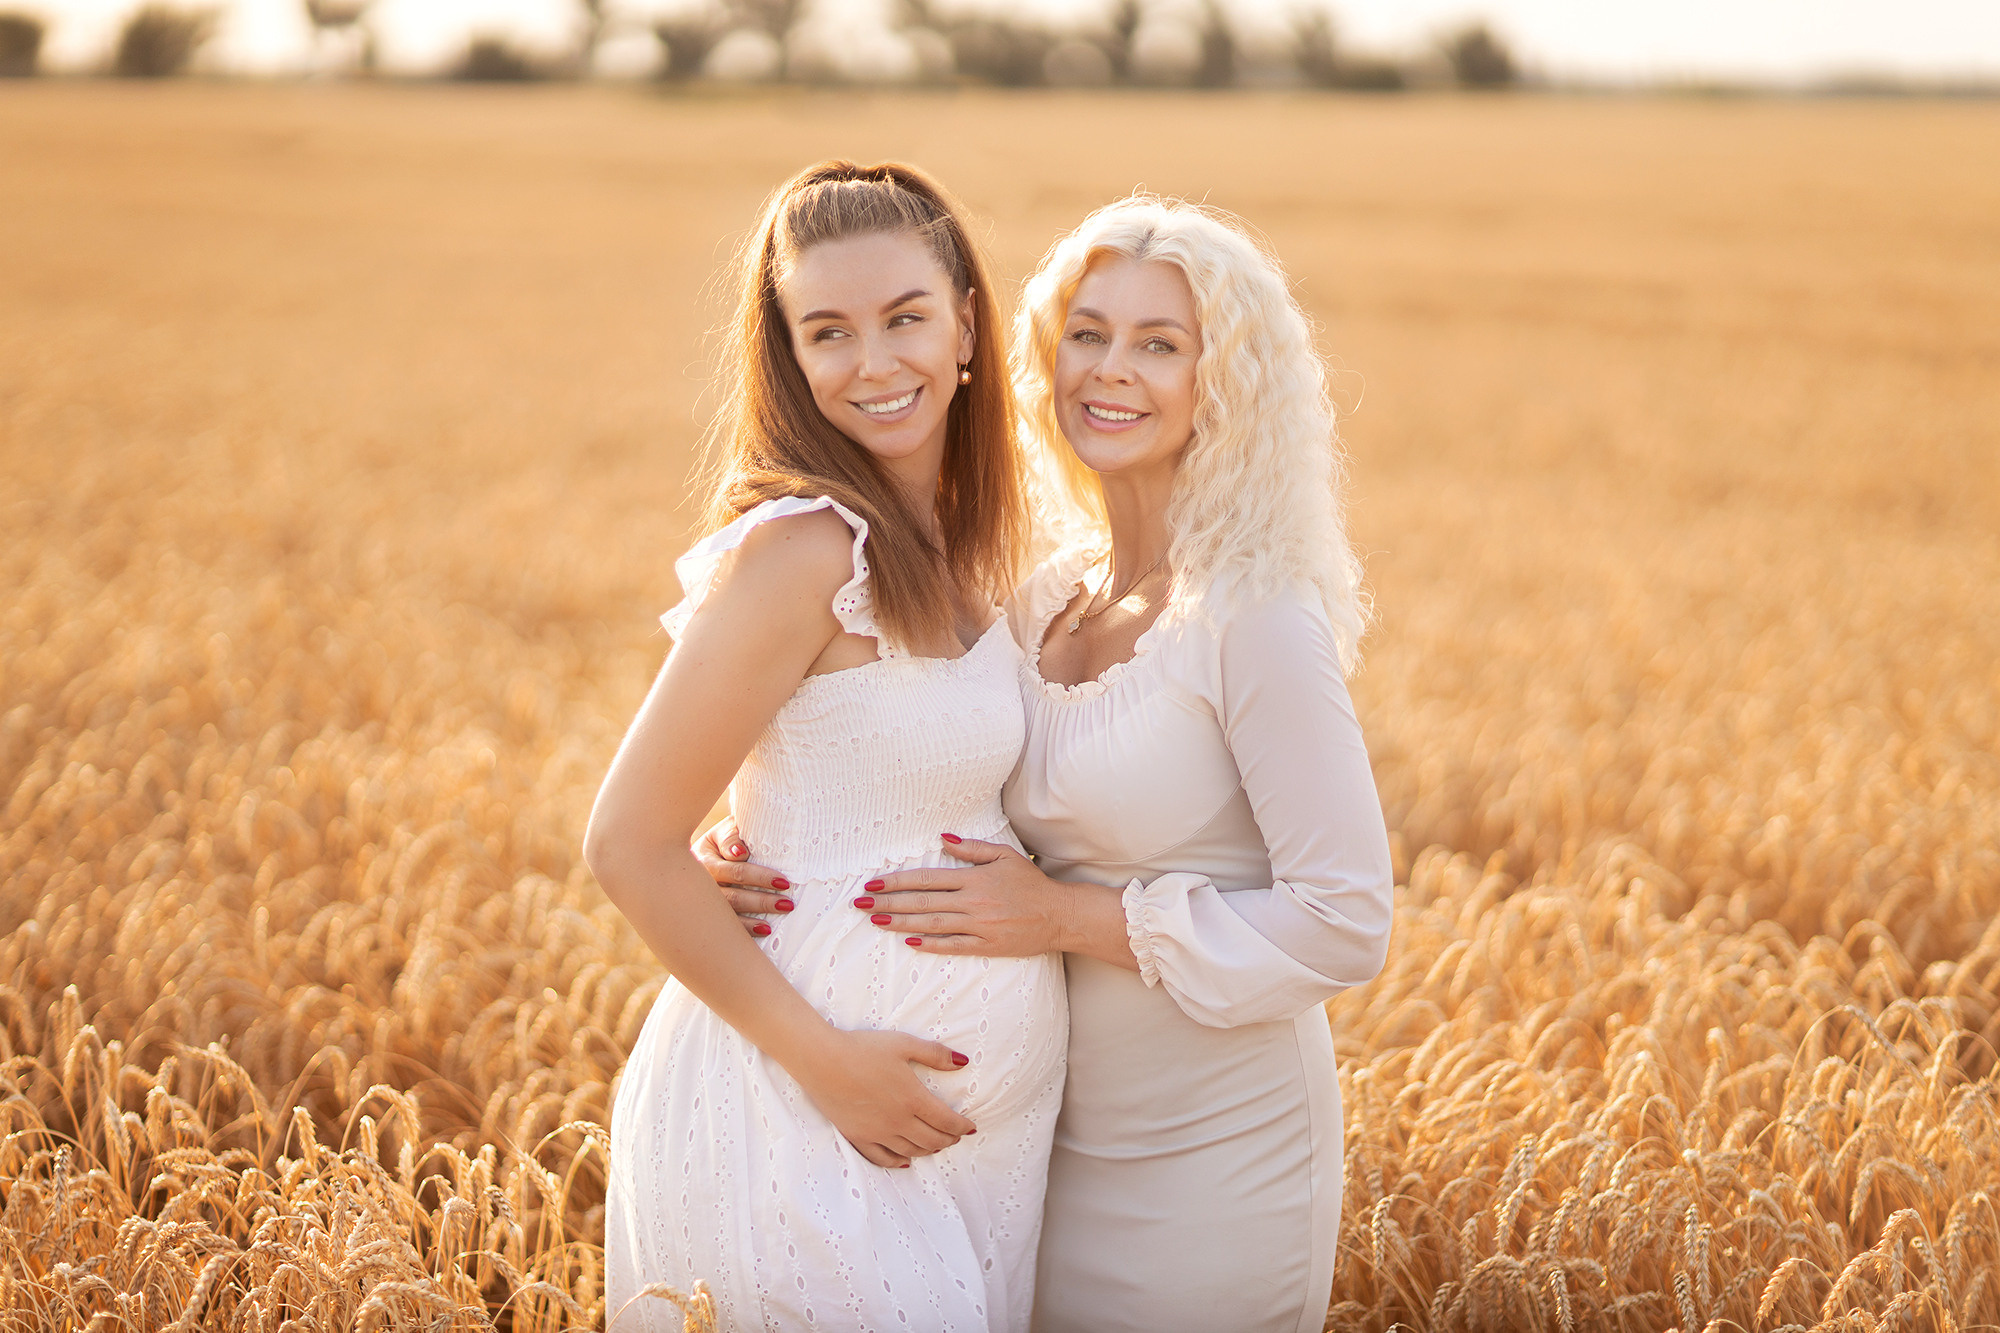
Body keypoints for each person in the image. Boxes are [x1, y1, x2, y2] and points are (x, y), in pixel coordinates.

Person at [703, 195, 1395, 1333]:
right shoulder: (1041, 601)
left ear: (1224, 380)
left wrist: (1064, 918)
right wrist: (753, 835)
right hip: (1039, 1138)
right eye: (1088, 333)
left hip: (1214, 1146)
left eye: (1158, 344)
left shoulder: (1253, 615)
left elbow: (1345, 918)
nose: (1110, 370)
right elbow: (920, 759)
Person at [587, 160, 1066, 1333]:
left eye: (904, 317)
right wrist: (826, 1062)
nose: (873, 362)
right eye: (828, 332)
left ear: (965, 325)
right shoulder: (802, 552)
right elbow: (627, 841)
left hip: (965, 1152)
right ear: (791, 357)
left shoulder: (969, 548)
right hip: (800, 1116)